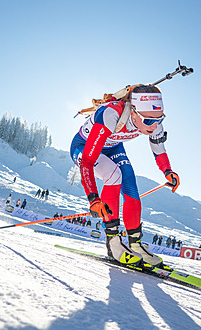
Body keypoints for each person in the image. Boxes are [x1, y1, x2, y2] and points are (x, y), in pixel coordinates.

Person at [70, 84, 179, 267]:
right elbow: (88, 162)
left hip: (113, 147)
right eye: (148, 121)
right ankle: (113, 243)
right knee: (113, 175)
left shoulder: (152, 119)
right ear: (134, 112)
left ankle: (135, 245)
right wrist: (93, 199)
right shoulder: (111, 115)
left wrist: (167, 171)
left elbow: (159, 151)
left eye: (159, 120)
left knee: (131, 187)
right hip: (84, 147)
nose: (154, 126)